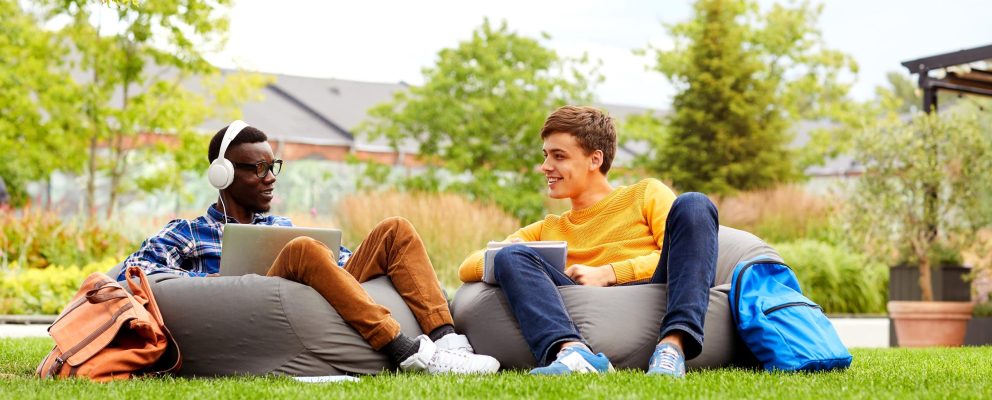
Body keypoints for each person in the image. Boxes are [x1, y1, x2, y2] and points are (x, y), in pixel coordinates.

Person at [121, 121, 499, 374]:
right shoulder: (188, 232)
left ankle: (450, 345)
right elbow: (133, 275)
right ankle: (405, 351)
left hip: (307, 300)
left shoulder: (281, 227)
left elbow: (344, 267)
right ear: (223, 174)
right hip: (249, 311)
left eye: (274, 167)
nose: (270, 179)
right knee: (303, 247)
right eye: (258, 169)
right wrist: (206, 282)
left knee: (394, 229)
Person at [458, 106, 718, 378]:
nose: (546, 166)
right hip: (576, 297)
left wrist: (609, 273)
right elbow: (468, 266)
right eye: (546, 155)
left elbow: (686, 256)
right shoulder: (549, 228)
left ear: (595, 160)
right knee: (510, 256)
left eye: (559, 156)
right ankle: (574, 353)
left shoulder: (645, 194)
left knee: (695, 204)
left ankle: (671, 348)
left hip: (653, 285)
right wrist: (548, 265)